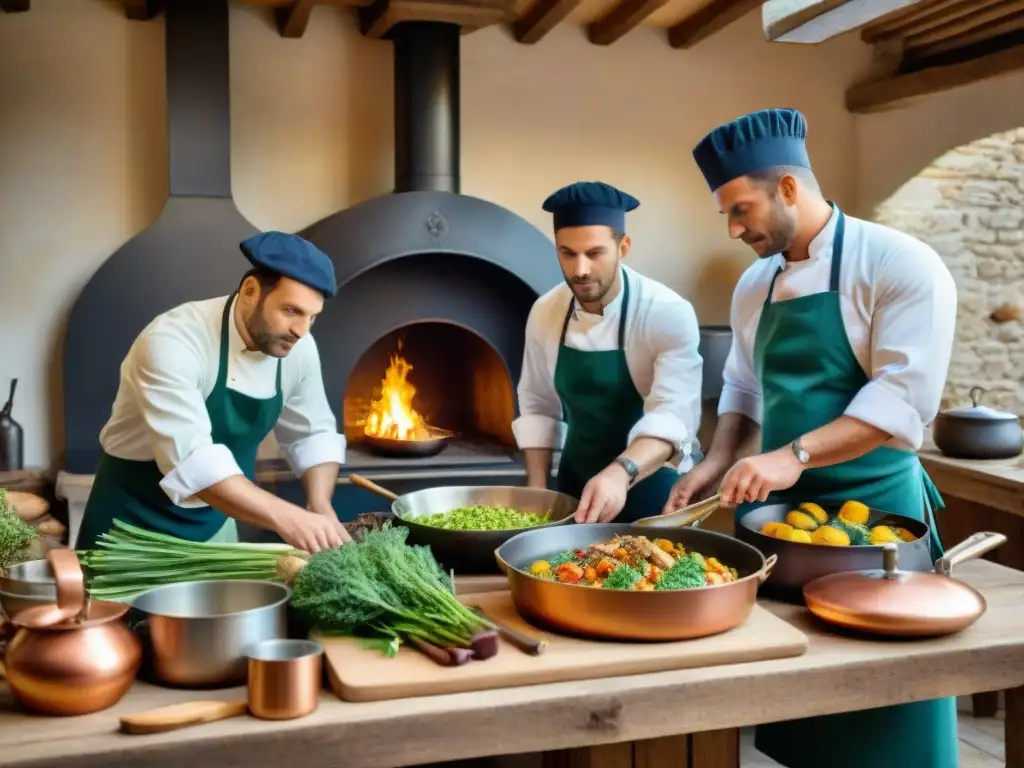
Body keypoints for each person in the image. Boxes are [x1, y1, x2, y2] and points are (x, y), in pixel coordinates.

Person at [668, 108, 958, 768]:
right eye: (727, 216)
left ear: (790, 188)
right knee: (803, 697)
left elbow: (900, 404)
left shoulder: (900, 264)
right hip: (784, 528)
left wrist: (791, 455)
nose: (736, 229)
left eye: (742, 210)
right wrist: (715, 461)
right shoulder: (753, 284)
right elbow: (742, 386)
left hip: (879, 526)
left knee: (887, 703)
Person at [76, 231, 351, 554]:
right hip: (130, 530)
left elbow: (312, 433)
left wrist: (319, 504)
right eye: (291, 310)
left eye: (312, 317)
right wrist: (289, 519)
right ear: (250, 291)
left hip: (215, 529)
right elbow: (193, 460)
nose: (301, 330)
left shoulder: (297, 346)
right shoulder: (172, 340)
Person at [513, 181, 703, 524]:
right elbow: (538, 404)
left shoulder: (666, 311)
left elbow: (674, 416)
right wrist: (538, 492)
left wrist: (621, 470)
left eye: (594, 253)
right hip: (576, 490)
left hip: (655, 492)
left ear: (624, 246)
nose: (580, 270)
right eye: (567, 253)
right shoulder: (545, 311)